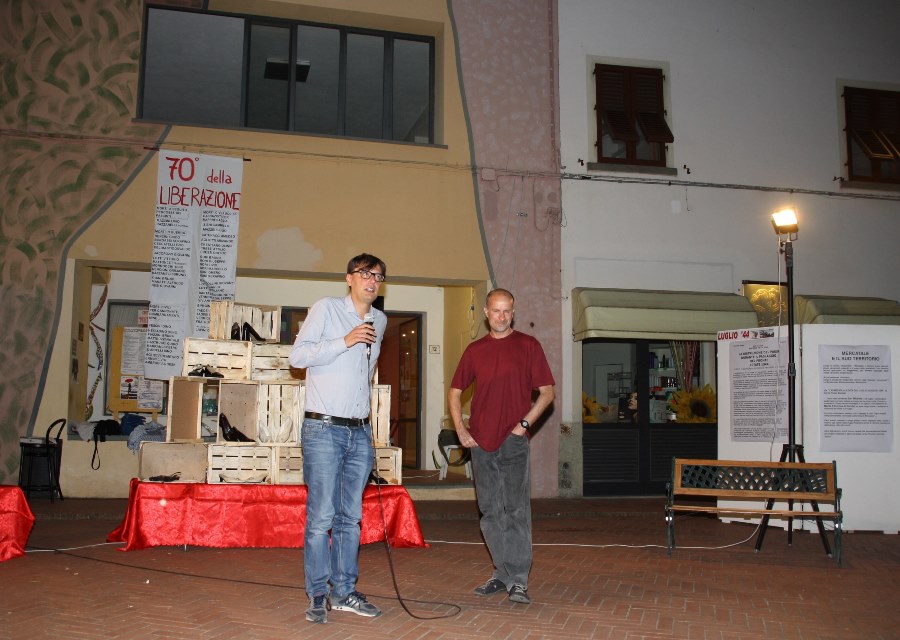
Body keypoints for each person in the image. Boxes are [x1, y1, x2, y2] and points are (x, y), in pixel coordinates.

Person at [288, 253, 388, 624]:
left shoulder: (380, 320)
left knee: (351, 517)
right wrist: (344, 340)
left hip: (359, 431)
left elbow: (365, 372)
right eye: (365, 273)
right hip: (324, 429)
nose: (372, 281)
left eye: (378, 276)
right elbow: (297, 357)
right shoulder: (326, 309)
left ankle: (344, 591)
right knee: (321, 518)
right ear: (349, 278)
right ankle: (317, 594)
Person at [448, 288, 555, 605]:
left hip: (513, 442)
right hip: (481, 442)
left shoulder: (528, 346)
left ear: (513, 312)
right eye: (496, 310)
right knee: (490, 511)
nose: (501, 316)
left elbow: (547, 392)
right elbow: (455, 392)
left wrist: (524, 425)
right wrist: (461, 429)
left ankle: (518, 579)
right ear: (486, 312)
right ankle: (502, 573)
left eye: (507, 310)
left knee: (516, 510)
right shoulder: (475, 350)